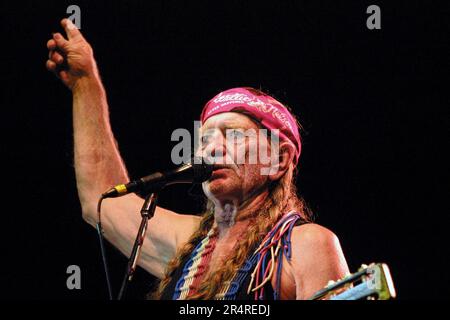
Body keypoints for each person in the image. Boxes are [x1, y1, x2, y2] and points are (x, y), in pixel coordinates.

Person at [46, 18, 349, 300]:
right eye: (204, 139)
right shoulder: (188, 242)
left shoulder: (306, 245)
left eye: (233, 135)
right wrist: (85, 83)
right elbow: (102, 201)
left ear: (279, 161)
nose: (211, 148)